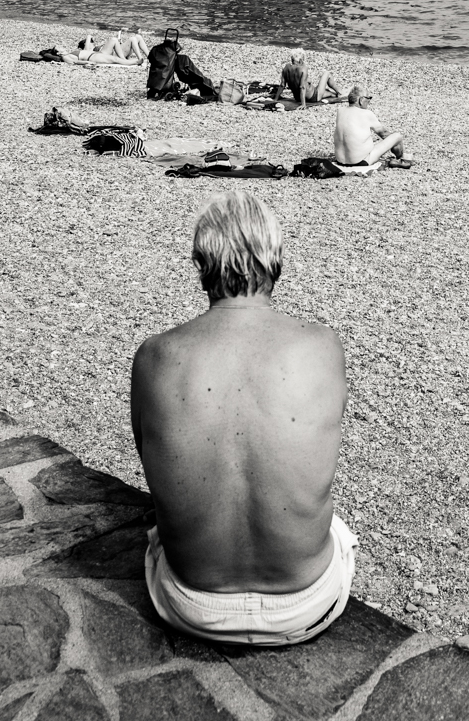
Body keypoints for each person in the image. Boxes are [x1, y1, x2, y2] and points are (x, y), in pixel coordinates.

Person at [131, 192, 355, 645]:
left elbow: (149, 454)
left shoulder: (155, 357)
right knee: (332, 523)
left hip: (192, 605)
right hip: (306, 604)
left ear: (201, 264)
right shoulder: (322, 346)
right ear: (276, 261)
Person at [333, 86, 405, 165]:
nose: (369, 101)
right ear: (361, 100)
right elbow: (384, 134)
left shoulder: (340, 112)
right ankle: (401, 159)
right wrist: (395, 143)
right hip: (361, 162)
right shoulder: (366, 114)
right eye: (368, 98)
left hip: (340, 161)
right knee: (397, 136)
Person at [147, 29, 221, 101]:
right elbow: (179, 48)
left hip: (153, 82)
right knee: (188, 66)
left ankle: (156, 90)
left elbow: (149, 58)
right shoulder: (172, 54)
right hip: (164, 82)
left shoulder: (156, 49)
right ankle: (208, 86)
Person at [280, 47, 349, 105]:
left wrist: (276, 99)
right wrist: (303, 104)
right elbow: (302, 87)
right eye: (303, 59)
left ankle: (335, 94)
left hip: (298, 98)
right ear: (301, 60)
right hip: (313, 97)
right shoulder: (303, 69)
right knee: (327, 74)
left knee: (329, 93)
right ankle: (341, 92)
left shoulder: (286, 68)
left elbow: (282, 85)